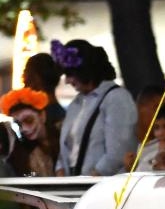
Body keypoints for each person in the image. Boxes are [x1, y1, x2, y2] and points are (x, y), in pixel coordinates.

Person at [51, 39, 137, 177]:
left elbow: (119, 152)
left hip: (103, 185)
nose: (66, 81)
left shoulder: (116, 98)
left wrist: (92, 179)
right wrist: (60, 172)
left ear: (84, 71)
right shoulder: (76, 103)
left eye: (69, 74)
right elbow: (66, 148)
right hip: (73, 184)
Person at [0, 87, 60, 176]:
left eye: (29, 120)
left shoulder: (63, 138)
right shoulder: (19, 152)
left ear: (42, 116)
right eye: (18, 123)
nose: (24, 129)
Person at [23, 53, 66, 133]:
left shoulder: (33, 117)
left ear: (37, 78)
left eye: (26, 71)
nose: (23, 76)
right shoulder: (63, 115)